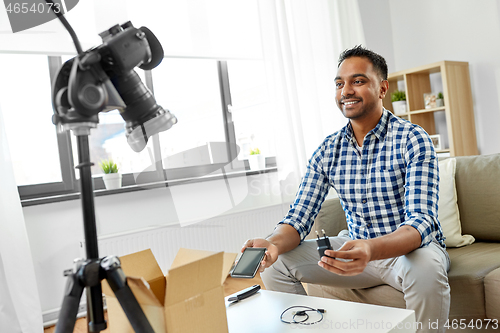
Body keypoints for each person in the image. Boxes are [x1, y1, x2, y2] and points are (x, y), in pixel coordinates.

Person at [242, 45, 450, 333]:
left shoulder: (412, 139)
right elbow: (298, 219)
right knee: (278, 264)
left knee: (426, 270)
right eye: (340, 83)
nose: (346, 91)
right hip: (355, 251)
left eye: (358, 81)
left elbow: (420, 223)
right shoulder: (328, 150)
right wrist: (273, 243)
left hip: (406, 253)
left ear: (382, 88)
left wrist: (370, 248)